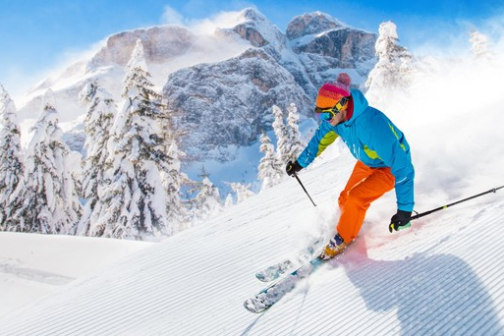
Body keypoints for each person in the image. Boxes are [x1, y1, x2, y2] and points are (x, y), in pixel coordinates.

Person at [286, 73, 415, 260]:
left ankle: (343, 238)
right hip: (368, 162)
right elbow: (319, 141)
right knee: (345, 198)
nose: (325, 119)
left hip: (390, 166)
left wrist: (404, 210)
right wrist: (300, 163)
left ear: (342, 105)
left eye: (327, 114)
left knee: (356, 197)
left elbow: (403, 166)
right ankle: (349, 223)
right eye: (321, 114)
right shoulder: (336, 120)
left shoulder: (372, 125)